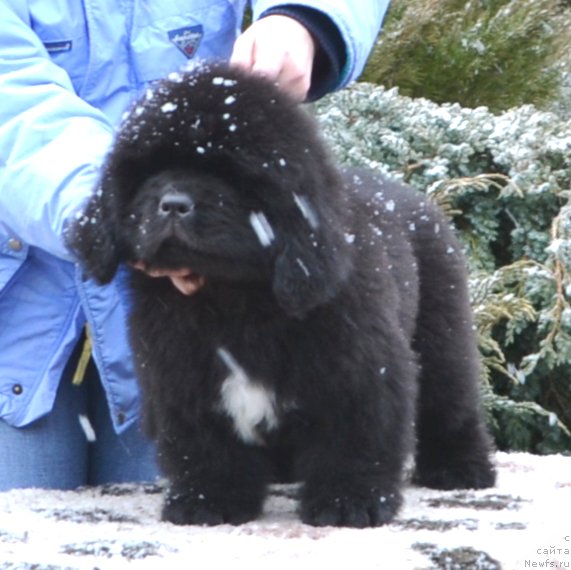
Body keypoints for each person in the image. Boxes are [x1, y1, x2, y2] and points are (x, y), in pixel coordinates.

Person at [0, 0, 389, 491]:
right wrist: (117, 215)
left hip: (203, 315)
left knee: (204, 532)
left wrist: (301, 21)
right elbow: (11, 104)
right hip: (19, 314)